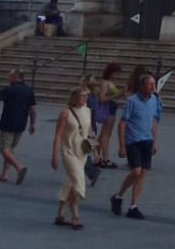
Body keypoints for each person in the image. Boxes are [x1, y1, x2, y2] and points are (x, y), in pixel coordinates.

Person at [110, 73, 161, 220]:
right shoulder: (132, 101)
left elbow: (153, 121)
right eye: (150, 84)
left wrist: (155, 141)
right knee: (136, 171)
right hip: (133, 140)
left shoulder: (154, 100)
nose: (153, 87)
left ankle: (133, 205)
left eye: (154, 84)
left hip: (147, 140)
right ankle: (118, 196)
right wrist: (121, 145)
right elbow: (122, 123)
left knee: (143, 173)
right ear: (142, 86)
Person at [51, 85, 93, 229]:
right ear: (74, 97)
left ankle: (60, 215)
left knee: (69, 182)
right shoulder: (66, 113)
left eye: (86, 96)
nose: (85, 98)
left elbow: (90, 132)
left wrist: (96, 151)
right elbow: (58, 135)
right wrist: (55, 155)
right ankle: (75, 216)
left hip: (82, 152)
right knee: (78, 182)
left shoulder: (88, 111)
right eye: (82, 95)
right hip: (68, 152)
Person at [93, 63, 124, 168]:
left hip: (112, 108)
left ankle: (97, 156)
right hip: (108, 109)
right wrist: (117, 94)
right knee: (106, 134)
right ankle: (105, 159)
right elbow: (102, 98)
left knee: (103, 134)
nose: (117, 76)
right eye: (116, 73)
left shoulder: (110, 82)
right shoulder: (105, 83)